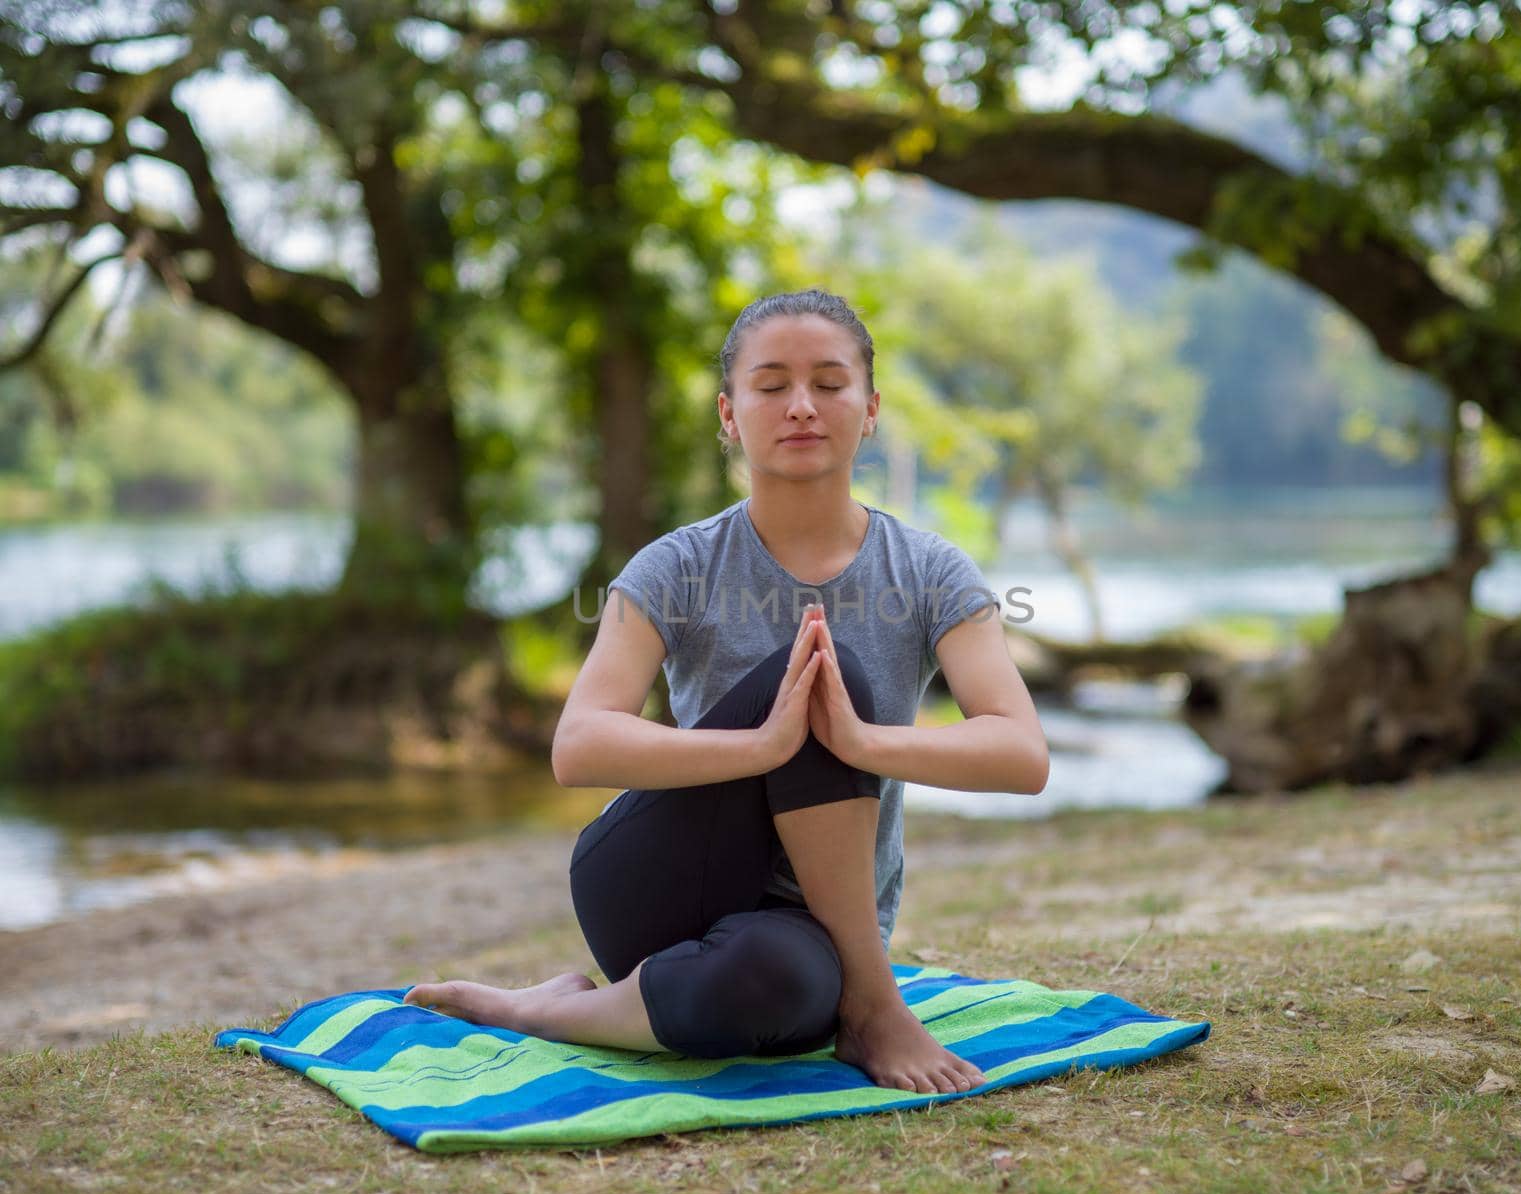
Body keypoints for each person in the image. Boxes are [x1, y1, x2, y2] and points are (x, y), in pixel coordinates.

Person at [403, 288, 1050, 1095]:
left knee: (777, 991)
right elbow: (579, 746)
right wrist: (761, 745)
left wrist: (862, 743)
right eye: (771, 385)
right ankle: (876, 1007)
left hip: (808, 927)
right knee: (826, 660)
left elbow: (1021, 753)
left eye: (830, 383)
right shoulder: (676, 566)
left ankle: (556, 1010)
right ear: (730, 414)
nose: (802, 406)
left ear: (871, 408)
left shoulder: (928, 571)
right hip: (660, 875)